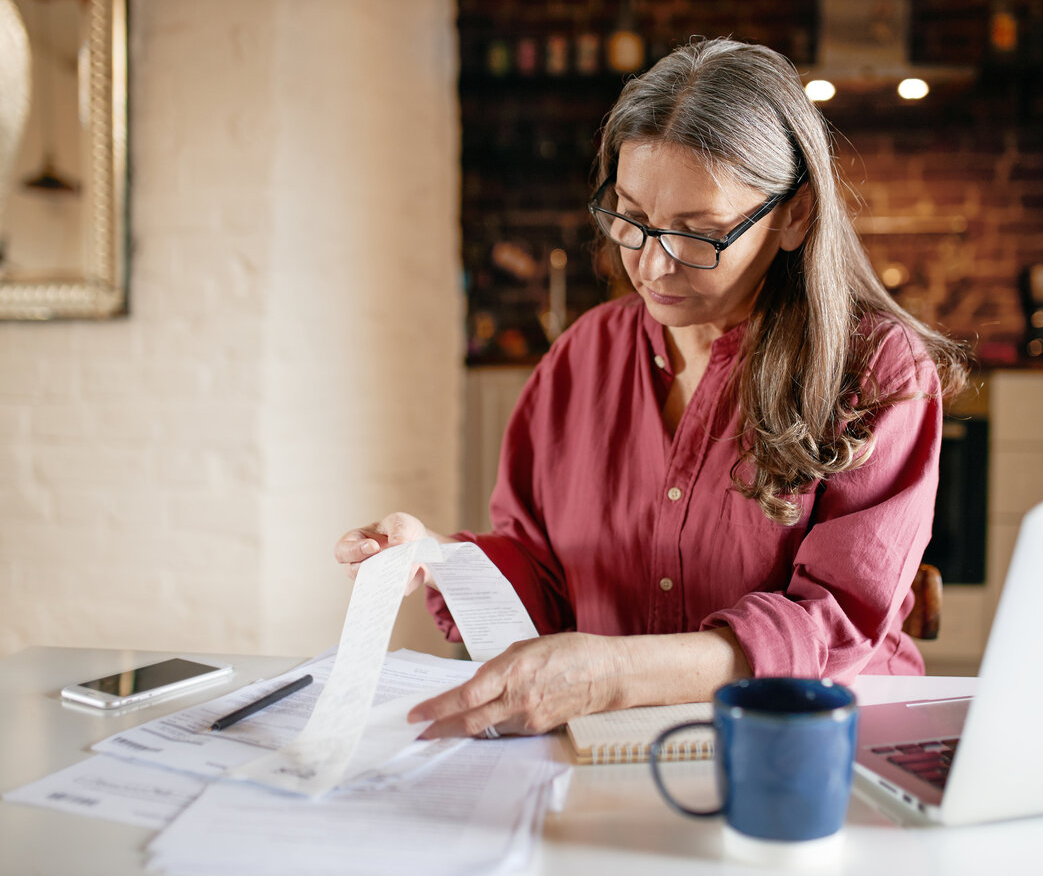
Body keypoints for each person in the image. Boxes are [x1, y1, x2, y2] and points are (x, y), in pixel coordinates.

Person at [334, 38, 967, 740]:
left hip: (809, 744)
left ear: (795, 215)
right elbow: (544, 570)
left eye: (700, 234)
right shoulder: (583, 357)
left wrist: (612, 674)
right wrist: (439, 560)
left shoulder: (876, 369)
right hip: (614, 743)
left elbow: (831, 624)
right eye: (631, 217)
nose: (652, 264)